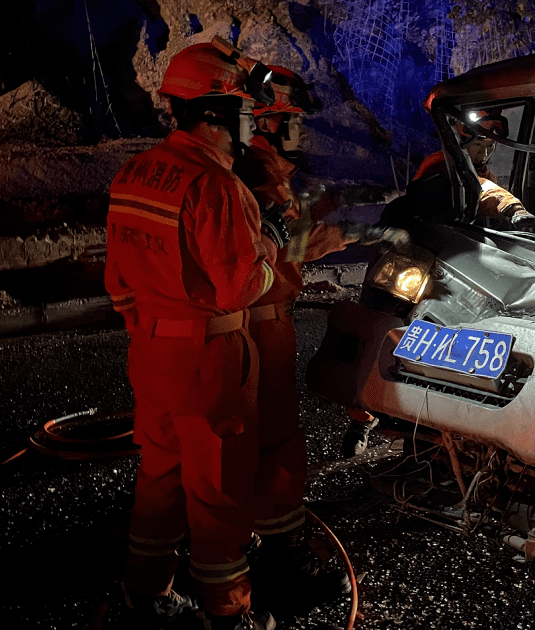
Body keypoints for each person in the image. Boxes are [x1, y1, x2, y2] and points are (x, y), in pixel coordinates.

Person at [105, 40, 280, 630]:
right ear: (213, 114)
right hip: (209, 357)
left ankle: (145, 594)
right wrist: (270, 250)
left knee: (158, 475)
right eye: (246, 111)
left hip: (152, 352)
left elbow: (118, 282)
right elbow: (240, 288)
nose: (255, 122)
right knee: (218, 486)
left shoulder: (134, 173)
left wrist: (150, 332)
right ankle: (227, 614)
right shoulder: (218, 187)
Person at [230, 65, 405, 609]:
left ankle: (244, 549)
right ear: (271, 121)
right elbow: (296, 237)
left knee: (241, 445)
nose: (302, 132)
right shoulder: (257, 173)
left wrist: (347, 195)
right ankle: (280, 561)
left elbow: (298, 212)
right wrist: (364, 231)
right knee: (276, 442)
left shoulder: (259, 167)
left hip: (247, 323)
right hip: (260, 324)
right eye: (295, 121)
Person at [382, 109, 535, 233]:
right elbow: (479, 188)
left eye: (490, 145)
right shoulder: (441, 163)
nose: (485, 153)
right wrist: (514, 209)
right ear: (461, 144)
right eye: (478, 145)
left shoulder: (487, 175)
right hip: (427, 238)